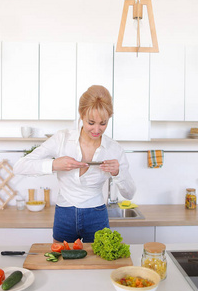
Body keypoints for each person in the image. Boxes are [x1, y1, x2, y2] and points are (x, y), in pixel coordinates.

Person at [13, 85, 136, 243]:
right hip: (64, 214)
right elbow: (20, 166)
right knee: (62, 263)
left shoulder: (114, 149)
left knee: (98, 264)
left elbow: (130, 193)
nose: (97, 130)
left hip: (97, 215)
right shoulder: (62, 139)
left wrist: (117, 173)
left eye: (103, 123)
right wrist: (54, 164)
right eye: (91, 122)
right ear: (81, 114)